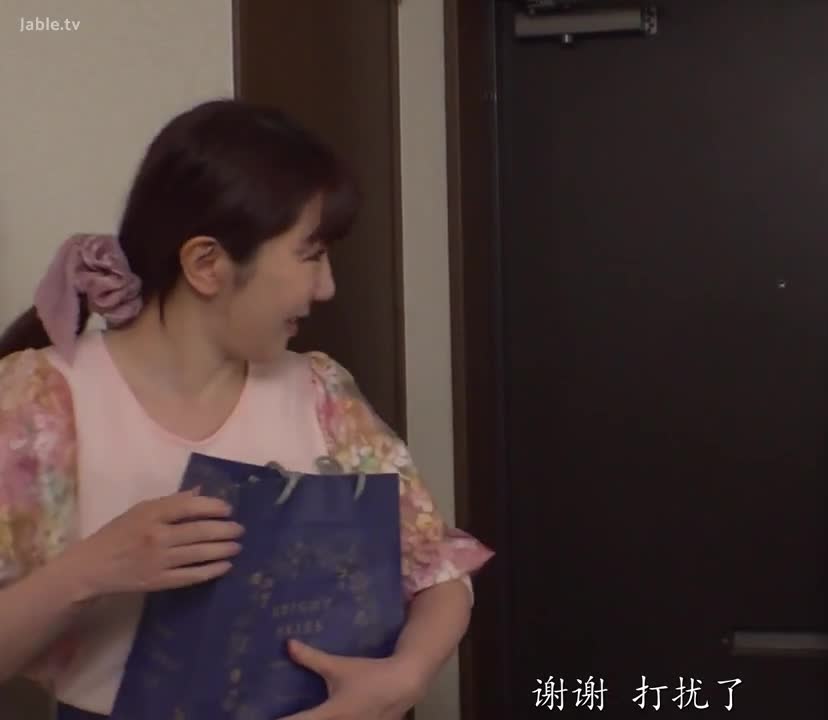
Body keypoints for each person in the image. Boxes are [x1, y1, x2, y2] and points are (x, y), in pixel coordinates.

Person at [0, 99, 495, 719]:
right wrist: (90, 571)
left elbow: (437, 569)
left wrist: (405, 676)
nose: (327, 287)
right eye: (310, 254)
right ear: (207, 264)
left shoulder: (321, 391)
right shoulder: (39, 402)